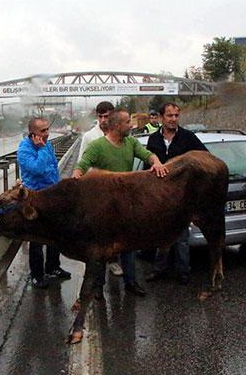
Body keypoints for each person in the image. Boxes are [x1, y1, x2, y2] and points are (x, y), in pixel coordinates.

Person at [73, 109, 168, 297]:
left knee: (128, 246)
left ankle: (131, 282)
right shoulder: (97, 146)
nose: (131, 125)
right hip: (104, 208)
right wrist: (76, 178)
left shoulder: (131, 142)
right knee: (102, 249)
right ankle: (98, 287)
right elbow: (81, 166)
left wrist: (156, 162)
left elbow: (147, 154)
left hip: (125, 206)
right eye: (127, 122)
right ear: (116, 126)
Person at [144, 102, 208, 285]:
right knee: (162, 235)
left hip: (182, 196)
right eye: (169, 116)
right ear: (162, 117)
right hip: (160, 197)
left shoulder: (188, 137)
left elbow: (205, 157)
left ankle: (183, 272)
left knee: (181, 238)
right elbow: (147, 165)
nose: (173, 119)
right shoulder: (153, 139)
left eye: (176, 116)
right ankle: (159, 270)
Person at [17, 117, 72, 289]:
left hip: (51, 195)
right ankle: (37, 275)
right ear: (33, 134)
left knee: (55, 235)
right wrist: (41, 150)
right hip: (34, 198)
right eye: (43, 131)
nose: (47, 134)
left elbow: (53, 167)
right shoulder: (24, 150)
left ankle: (53, 267)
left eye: (48, 130)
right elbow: (37, 169)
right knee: (37, 239)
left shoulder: (47, 144)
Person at [76, 101, 123, 277]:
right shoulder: (90, 137)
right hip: (97, 190)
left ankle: (114, 260)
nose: (103, 120)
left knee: (117, 226)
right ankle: (98, 272)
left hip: (117, 189)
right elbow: (82, 162)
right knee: (100, 229)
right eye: (100, 116)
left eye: (107, 116)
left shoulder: (120, 134)